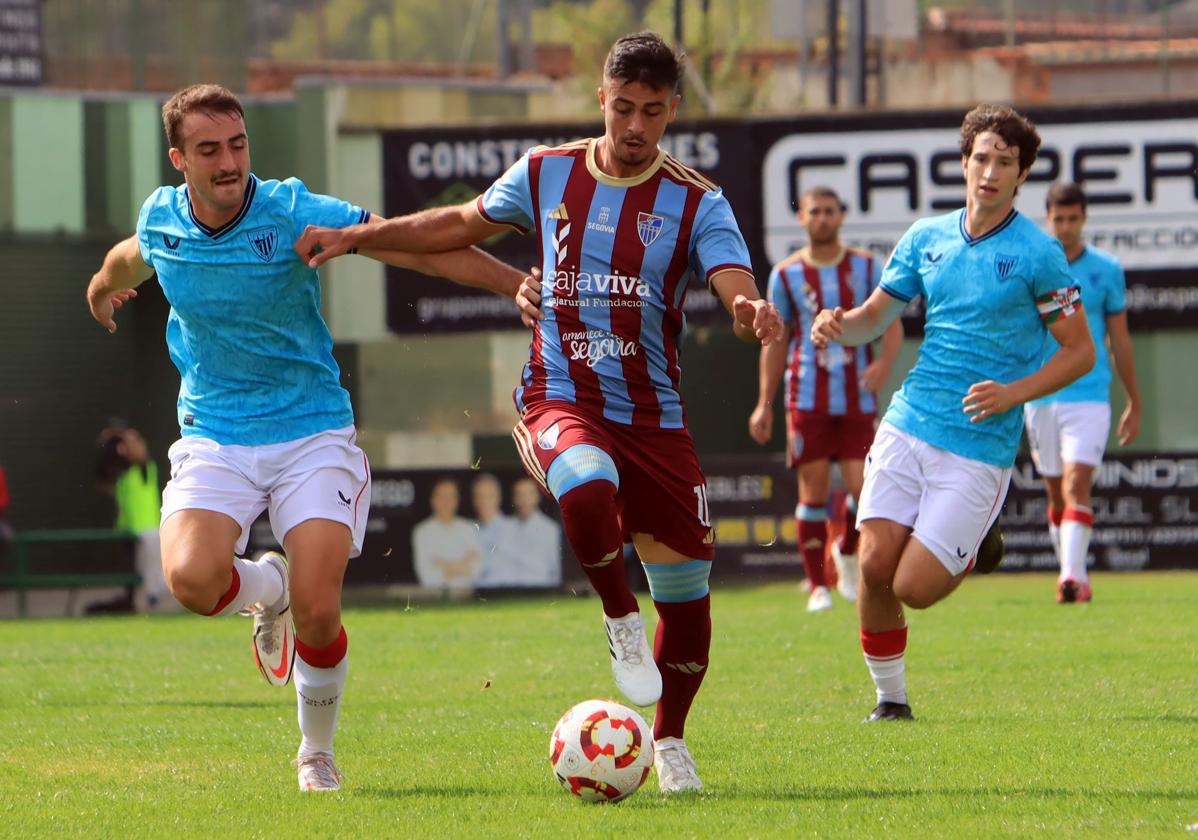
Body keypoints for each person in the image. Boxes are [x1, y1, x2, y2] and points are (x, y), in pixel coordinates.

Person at [294, 32, 783, 792]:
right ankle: (619, 615)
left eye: (652, 113)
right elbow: (456, 224)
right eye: (622, 107)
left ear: (672, 111)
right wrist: (358, 237)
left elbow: (732, 279)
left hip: (654, 423)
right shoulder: (547, 171)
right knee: (586, 484)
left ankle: (672, 739)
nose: (634, 127)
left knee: (687, 609)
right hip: (559, 397)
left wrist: (748, 308)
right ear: (601, 98)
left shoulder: (696, 200)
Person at [84, 83, 527, 791]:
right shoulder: (163, 220)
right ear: (179, 159)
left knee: (321, 610)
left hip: (310, 430)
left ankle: (314, 751)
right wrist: (100, 291)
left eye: (237, 144)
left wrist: (514, 287)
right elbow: (129, 258)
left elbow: (410, 247)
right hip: (215, 433)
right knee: (192, 581)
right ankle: (268, 586)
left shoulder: (289, 209)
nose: (229, 162)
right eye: (208, 150)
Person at [810, 104, 1095, 723]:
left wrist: (1014, 393)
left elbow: (1080, 352)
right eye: (982, 158)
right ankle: (891, 701)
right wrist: (839, 324)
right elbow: (874, 318)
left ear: (1022, 176)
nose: (990, 171)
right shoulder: (925, 237)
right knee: (875, 568)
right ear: (964, 163)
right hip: (909, 420)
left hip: (979, 443)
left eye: (1006, 162)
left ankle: (974, 542)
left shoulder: (1039, 254)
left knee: (915, 586)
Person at [748, 186, 902, 613]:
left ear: (841, 216)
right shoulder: (786, 274)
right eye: (814, 211)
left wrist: (884, 365)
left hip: (856, 398)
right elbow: (775, 341)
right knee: (812, 490)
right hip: (807, 397)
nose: (821, 218)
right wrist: (764, 402)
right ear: (803, 219)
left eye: (829, 211)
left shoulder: (866, 267)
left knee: (864, 488)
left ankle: (847, 553)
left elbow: (890, 322)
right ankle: (818, 586)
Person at [1024, 183, 1140, 604]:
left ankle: (1071, 579)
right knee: (1055, 494)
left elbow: (1119, 340)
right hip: (1039, 396)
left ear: (1084, 218)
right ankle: (1072, 570)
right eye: (1059, 218)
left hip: (1089, 394)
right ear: (1048, 218)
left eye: (1073, 218)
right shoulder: (1034, 266)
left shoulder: (1106, 269)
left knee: (1077, 484)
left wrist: (1134, 399)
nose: (1067, 226)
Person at [93, 423, 172, 613]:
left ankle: (152, 603)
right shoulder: (123, 475)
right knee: (132, 573)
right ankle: (134, 603)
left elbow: (138, 453)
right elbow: (102, 476)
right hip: (128, 532)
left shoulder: (144, 469)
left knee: (153, 572)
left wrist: (122, 434)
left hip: (148, 532)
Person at [411, 477, 482, 589]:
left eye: (450, 497)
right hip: (435, 597)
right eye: (442, 497)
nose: (446, 502)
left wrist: (444, 565)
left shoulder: (469, 528)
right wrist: (462, 564)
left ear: (457, 500)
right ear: (433, 500)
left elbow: (478, 569)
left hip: (468, 596)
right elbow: (427, 575)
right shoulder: (422, 531)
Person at [504, 477, 563, 587]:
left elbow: (556, 571)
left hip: (541, 591)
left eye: (528, 494)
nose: (524, 500)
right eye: (519, 495)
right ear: (514, 498)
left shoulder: (551, 529)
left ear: (537, 497)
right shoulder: (505, 527)